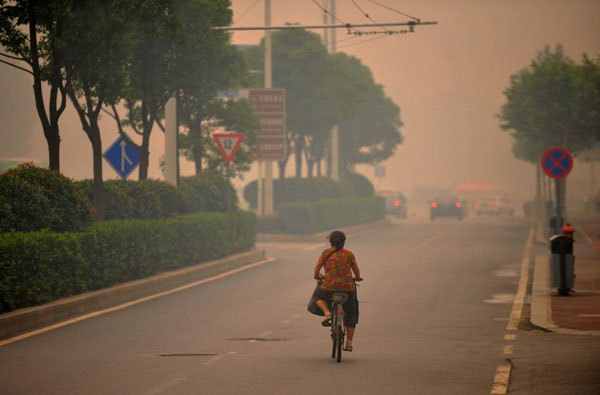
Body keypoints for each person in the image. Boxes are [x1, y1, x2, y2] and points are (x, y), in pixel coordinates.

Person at [313, 230, 362, 352]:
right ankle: (349, 343)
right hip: (347, 288)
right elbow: (356, 269)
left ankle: (327, 313)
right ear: (344, 242)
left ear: (330, 242)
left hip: (329, 287)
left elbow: (317, 267)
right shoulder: (349, 254)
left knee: (317, 296)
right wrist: (357, 277)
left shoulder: (325, 253)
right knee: (351, 313)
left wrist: (316, 275)